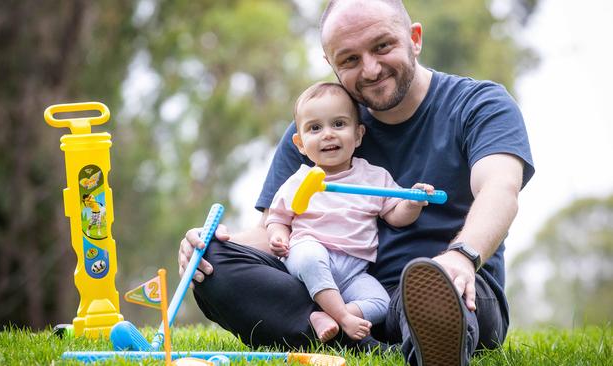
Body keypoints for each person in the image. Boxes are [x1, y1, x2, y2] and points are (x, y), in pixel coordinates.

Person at [178, 0, 534, 364]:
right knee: (214, 264)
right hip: (334, 290)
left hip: (452, 283)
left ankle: (427, 333)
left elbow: (499, 189)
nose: (371, 68)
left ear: (415, 38)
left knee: (438, 291)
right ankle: (356, 338)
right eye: (349, 59)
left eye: (382, 46)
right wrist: (210, 245)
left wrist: (461, 257)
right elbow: (276, 232)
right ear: (331, 65)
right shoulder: (316, 128)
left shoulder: (480, 104)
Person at [267, 81, 434, 343]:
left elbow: (395, 216)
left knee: (381, 303)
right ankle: (344, 319)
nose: (328, 134)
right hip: (308, 252)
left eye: (338, 124)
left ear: (358, 135)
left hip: (354, 270)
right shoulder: (299, 180)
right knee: (311, 257)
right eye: (315, 128)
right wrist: (278, 236)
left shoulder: (374, 178)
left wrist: (412, 203)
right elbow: (277, 218)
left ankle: (325, 315)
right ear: (300, 143)